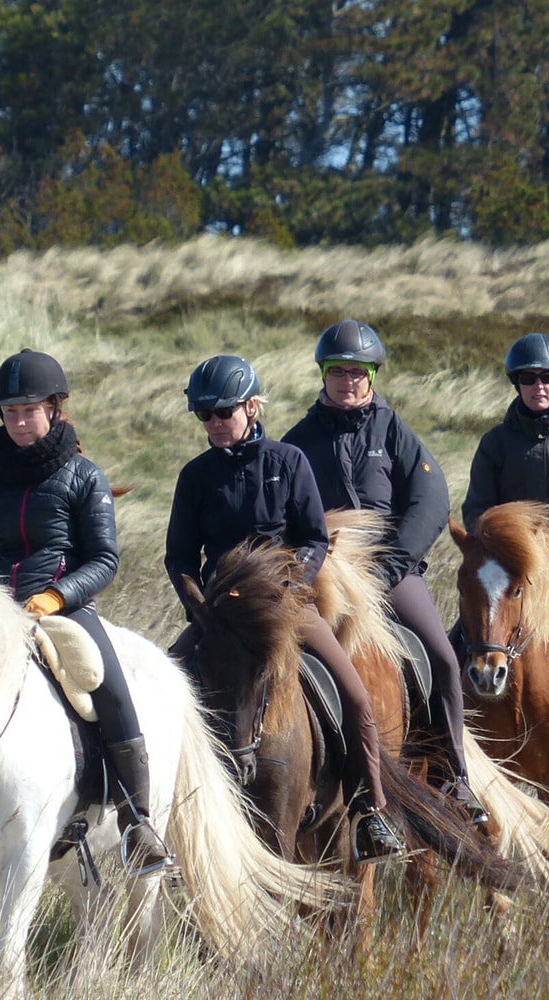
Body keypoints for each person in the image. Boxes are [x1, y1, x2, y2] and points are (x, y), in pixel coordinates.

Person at [0, 349, 171, 888]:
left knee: (110, 688)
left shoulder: (85, 476)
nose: (18, 421)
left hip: (62, 611)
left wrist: (55, 596)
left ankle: (138, 823)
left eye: (29, 410)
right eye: (10, 411)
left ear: (55, 409)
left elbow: (105, 560)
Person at [164, 353, 405, 864]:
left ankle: (372, 812)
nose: (213, 424)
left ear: (251, 407)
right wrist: (197, 606)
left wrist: (292, 586)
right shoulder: (195, 476)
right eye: (204, 416)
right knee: (160, 686)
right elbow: (179, 556)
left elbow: (315, 539)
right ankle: (149, 820)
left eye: (222, 412)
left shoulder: (287, 462)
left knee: (357, 698)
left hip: (285, 609)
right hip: (219, 618)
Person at [282, 320, 488, 825]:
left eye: (356, 372)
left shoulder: (394, 431)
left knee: (440, 655)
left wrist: (396, 561)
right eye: (337, 372)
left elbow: (430, 498)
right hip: (324, 570)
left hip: (387, 569)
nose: (347, 381)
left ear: (371, 375)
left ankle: (454, 774)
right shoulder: (298, 441)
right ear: (323, 375)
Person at [462, 331, 549, 788]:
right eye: (528, 378)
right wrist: (502, 550)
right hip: (510, 569)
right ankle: (449, 737)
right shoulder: (495, 444)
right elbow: (476, 511)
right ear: (516, 383)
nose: (538, 386)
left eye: (547, 378)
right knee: (459, 639)